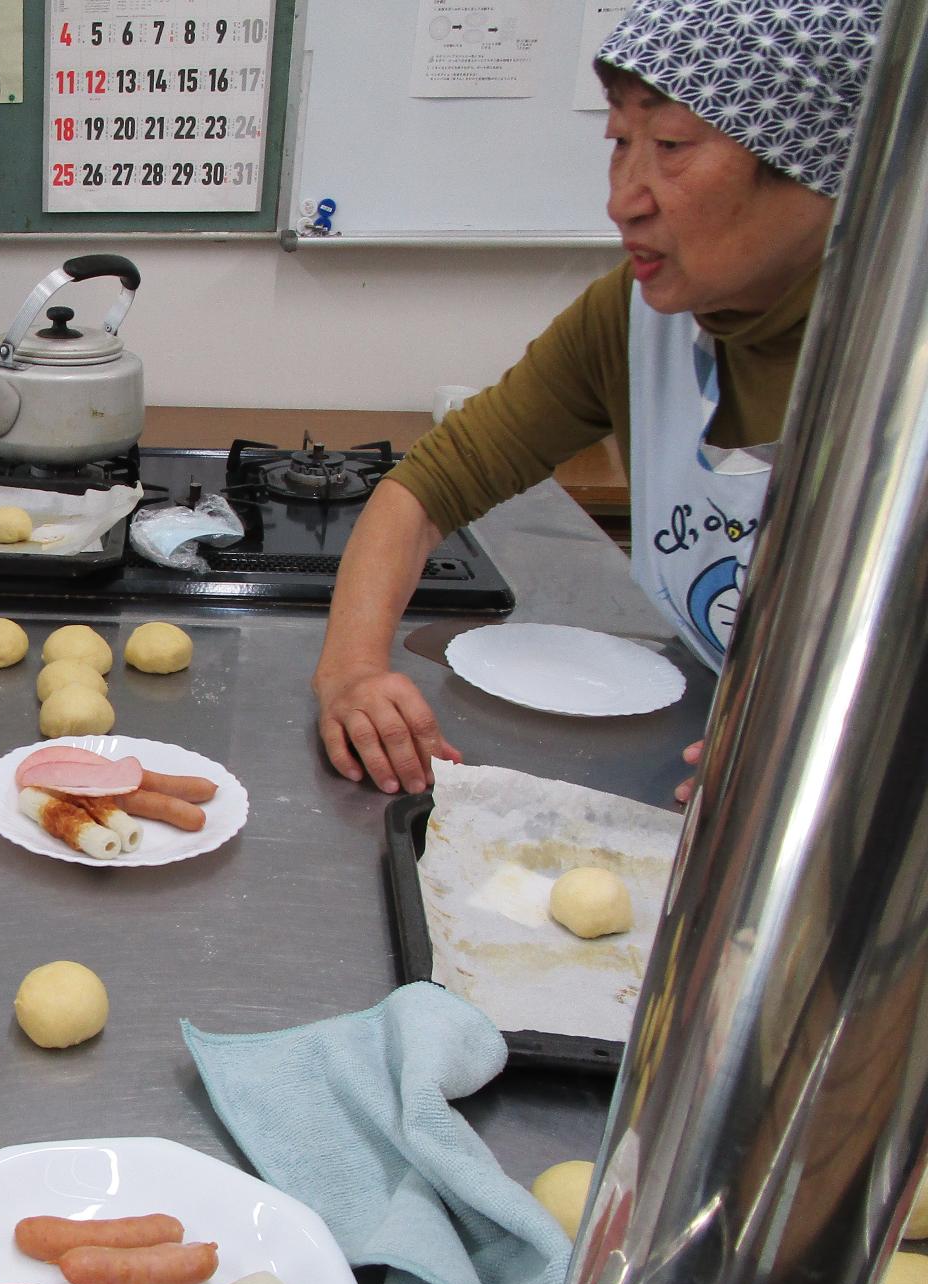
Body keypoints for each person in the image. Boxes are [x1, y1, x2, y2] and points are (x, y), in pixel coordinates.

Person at [310, 0, 881, 801]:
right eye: (619, 142)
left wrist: (833, 759)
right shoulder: (637, 319)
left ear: (819, 155)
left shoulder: (897, 359)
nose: (624, 199)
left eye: (672, 146)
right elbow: (428, 488)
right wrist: (350, 670)